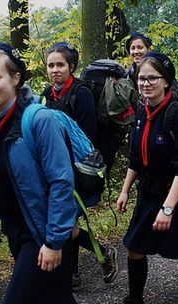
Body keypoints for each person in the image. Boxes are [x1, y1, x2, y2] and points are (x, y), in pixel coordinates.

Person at [0, 43, 77, 303]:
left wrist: (54, 241)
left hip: (43, 232)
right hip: (17, 231)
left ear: (16, 78)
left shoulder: (39, 120)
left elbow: (61, 182)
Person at [117, 52, 178, 304]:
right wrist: (125, 191)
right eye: (141, 78)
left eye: (152, 78)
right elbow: (136, 157)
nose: (146, 83)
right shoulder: (142, 111)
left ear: (166, 81)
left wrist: (168, 208)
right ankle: (135, 298)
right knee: (134, 245)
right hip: (150, 189)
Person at [41, 42, 119, 290]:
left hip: (78, 168)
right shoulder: (47, 94)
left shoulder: (80, 93)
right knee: (69, 224)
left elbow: (87, 137)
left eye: (60, 65)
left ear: (71, 67)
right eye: (51, 65)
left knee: (68, 221)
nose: (55, 70)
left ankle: (73, 274)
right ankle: (103, 254)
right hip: (54, 167)